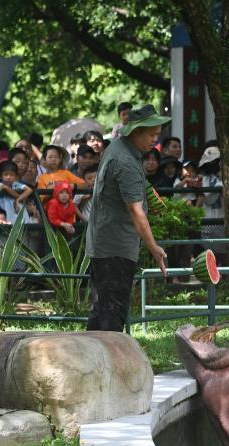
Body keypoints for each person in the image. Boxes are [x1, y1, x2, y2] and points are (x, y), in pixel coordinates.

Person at [85, 103, 170, 332]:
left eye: (157, 134)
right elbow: (135, 210)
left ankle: (86, 363)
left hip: (104, 241)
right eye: (151, 134)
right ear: (136, 131)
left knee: (102, 309)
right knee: (112, 313)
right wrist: (153, 246)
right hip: (116, 246)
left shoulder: (117, 149)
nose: (155, 139)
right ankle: (110, 365)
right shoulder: (126, 162)